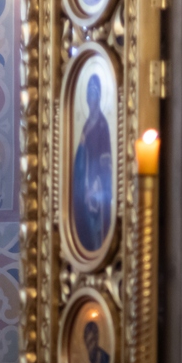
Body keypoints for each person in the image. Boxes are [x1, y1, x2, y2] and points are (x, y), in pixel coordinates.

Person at [72, 74, 113, 253]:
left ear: (99, 97)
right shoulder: (86, 125)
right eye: (88, 95)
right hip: (85, 189)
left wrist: (94, 188)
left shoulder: (103, 126)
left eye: (93, 94)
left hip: (98, 191)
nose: (90, 99)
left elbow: (106, 163)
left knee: (97, 234)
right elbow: (80, 160)